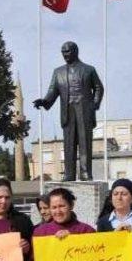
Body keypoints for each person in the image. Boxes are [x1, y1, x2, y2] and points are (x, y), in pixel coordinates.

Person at [33, 41, 103, 181]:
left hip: (84, 108)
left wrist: (94, 104)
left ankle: (85, 172)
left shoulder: (89, 69)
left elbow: (98, 88)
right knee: (69, 143)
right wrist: (45, 101)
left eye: (68, 52)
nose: (65, 55)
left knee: (84, 142)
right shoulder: (58, 72)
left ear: (75, 51)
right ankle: (69, 174)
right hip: (68, 109)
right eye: (63, 52)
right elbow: (53, 90)